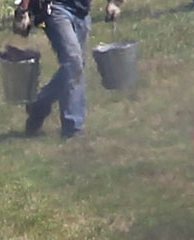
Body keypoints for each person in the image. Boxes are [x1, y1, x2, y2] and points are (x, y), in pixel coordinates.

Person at [15, 0, 122, 138]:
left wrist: (113, 3)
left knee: (76, 68)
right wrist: (23, 10)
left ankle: (39, 105)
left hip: (82, 11)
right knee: (73, 62)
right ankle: (73, 128)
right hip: (54, 7)